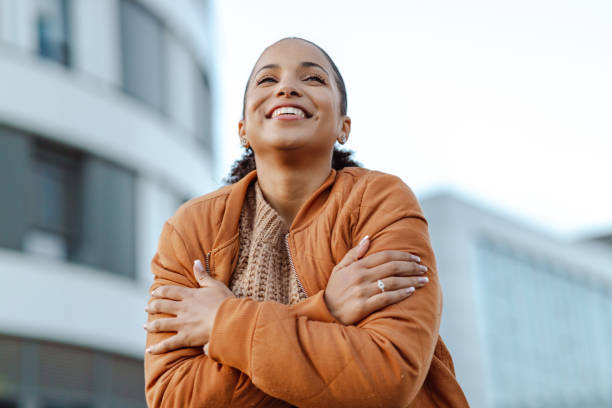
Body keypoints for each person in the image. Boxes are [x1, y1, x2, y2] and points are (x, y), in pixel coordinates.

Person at [143, 37, 468, 407]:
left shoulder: (380, 201)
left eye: (312, 79)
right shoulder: (191, 228)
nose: (287, 87)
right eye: (267, 80)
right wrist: (325, 310)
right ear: (242, 130)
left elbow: (387, 375)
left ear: (343, 127)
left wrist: (222, 323)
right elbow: (174, 398)